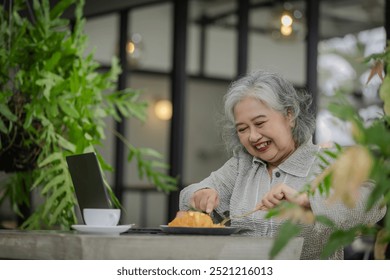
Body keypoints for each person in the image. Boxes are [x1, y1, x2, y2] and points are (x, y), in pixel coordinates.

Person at [179, 69, 386, 259]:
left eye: (260, 123)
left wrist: (308, 202)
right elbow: (190, 194)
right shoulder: (242, 165)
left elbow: (374, 202)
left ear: (290, 116)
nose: (252, 136)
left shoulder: (326, 160)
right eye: (242, 129)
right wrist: (201, 194)